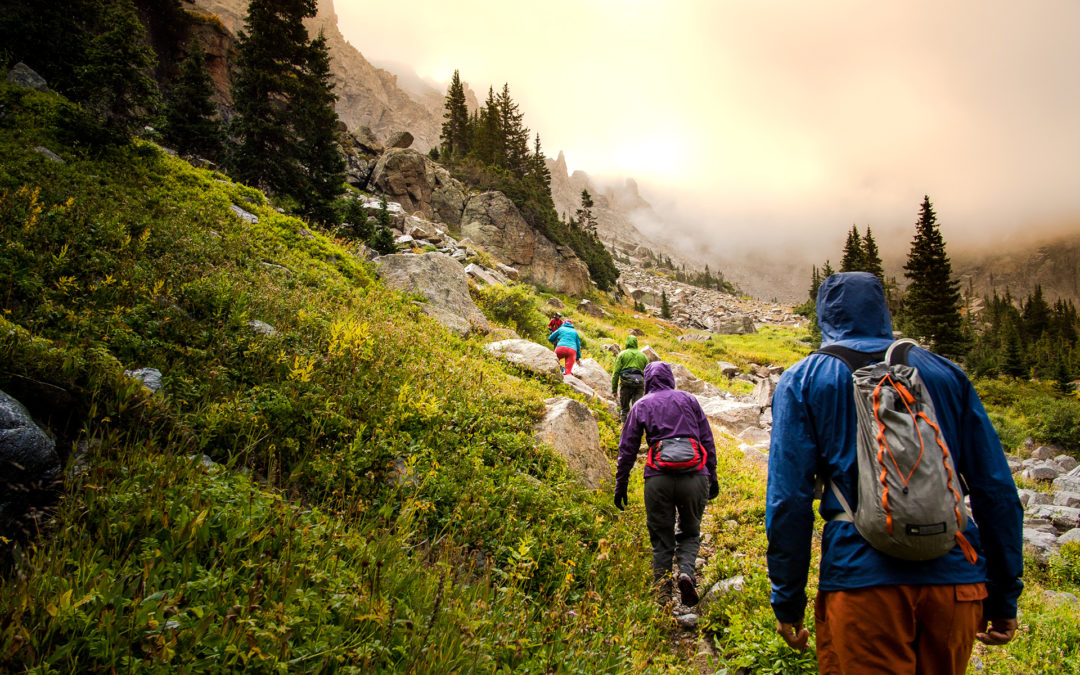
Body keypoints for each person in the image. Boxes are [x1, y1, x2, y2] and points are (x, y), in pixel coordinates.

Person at [766, 272, 1023, 674]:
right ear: (883, 311)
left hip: (862, 582)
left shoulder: (804, 379)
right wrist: (1004, 594)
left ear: (824, 316)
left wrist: (787, 599)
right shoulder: (946, 374)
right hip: (956, 579)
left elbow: (788, 501)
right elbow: (997, 492)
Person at [614, 361, 719, 606]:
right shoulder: (689, 400)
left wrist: (621, 484)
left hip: (658, 477)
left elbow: (627, 449)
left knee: (661, 537)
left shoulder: (641, 404)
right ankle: (685, 572)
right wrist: (712, 476)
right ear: (670, 378)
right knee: (690, 531)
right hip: (695, 475)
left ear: (648, 380)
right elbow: (707, 440)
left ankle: (662, 592)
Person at [611, 335, 648, 422]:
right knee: (637, 409)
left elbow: (615, 373)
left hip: (626, 384)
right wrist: (647, 390)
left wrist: (614, 390)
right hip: (639, 384)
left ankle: (623, 427)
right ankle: (636, 430)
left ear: (627, 343)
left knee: (624, 410)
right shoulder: (643, 356)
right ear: (636, 343)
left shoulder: (622, 355)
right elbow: (648, 374)